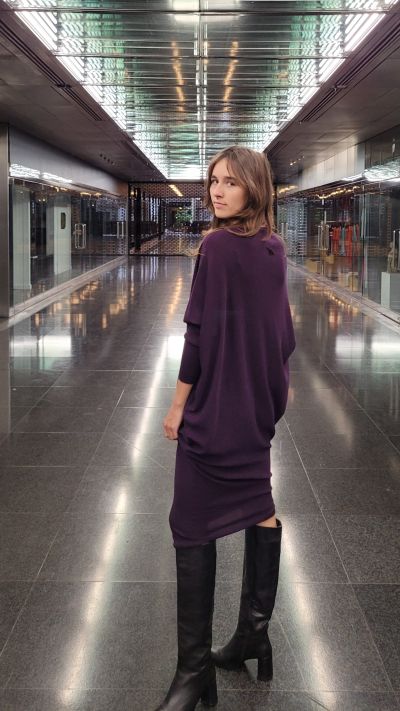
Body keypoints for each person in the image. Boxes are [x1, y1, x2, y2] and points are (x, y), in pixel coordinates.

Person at [156, 146, 296, 711]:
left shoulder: (214, 246)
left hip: (217, 409)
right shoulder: (274, 247)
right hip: (256, 405)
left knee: (191, 524)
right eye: (214, 180)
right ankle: (250, 639)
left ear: (254, 188)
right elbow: (282, 333)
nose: (217, 190)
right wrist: (274, 393)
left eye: (231, 182)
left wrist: (176, 407)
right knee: (260, 506)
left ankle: (195, 673)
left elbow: (198, 335)